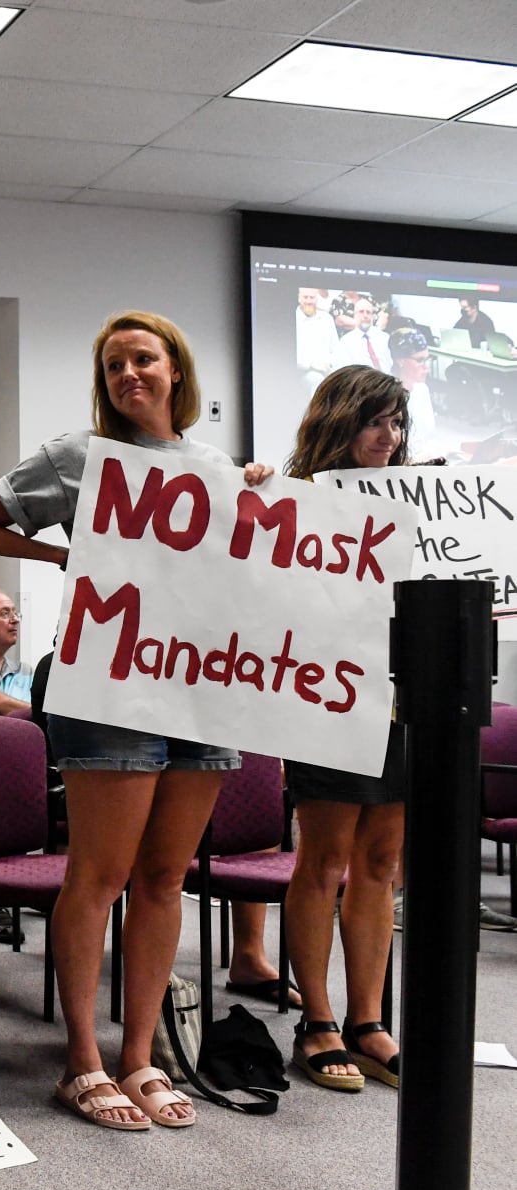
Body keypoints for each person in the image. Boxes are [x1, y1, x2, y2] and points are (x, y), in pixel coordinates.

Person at [0, 310, 272, 1131]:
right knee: (100, 875)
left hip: (199, 684)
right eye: (115, 365)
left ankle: (141, 1057)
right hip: (111, 678)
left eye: (144, 360)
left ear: (176, 371)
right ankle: (83, 1061)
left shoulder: (213, 467)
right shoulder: (78, 457)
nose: (130, 375)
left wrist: (260, 498)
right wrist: (64, 555)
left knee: (167, 878)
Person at [278, 365, 408, 1093]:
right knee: (323, 860)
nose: (387, 437)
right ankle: (317, 1022)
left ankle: (367, 1022)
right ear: (340, 421)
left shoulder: (414, 501)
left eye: (396, 424)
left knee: (382, 864)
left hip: (403, 697)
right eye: (374, 421)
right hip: (328, 696)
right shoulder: (301, 502)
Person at [389, 328, 439, 460]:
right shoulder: (389, 398)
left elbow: (429, 437)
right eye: (420, 360)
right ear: (401, 361)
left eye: (427, 359)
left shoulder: (422, 390)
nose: (426, 366)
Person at [336, 296, 391, 373]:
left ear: (372, 316)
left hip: (387, 381)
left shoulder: (385, 338)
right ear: (354, 315)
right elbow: (342, 369)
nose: (365, 315)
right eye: (361, 312)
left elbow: (392, 364)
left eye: (368, 312)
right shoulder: (346, 342)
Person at [295, 287, 337, 383]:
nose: (309, 301)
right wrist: (311, 364)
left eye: (312, 297)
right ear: (299, 298)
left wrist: (330, 364)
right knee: (316, 379)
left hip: (329, 371)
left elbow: (335, 349)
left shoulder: (327, 319)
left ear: (317, 299)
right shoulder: (291, 319)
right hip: (304, 372)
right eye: (305, 297)